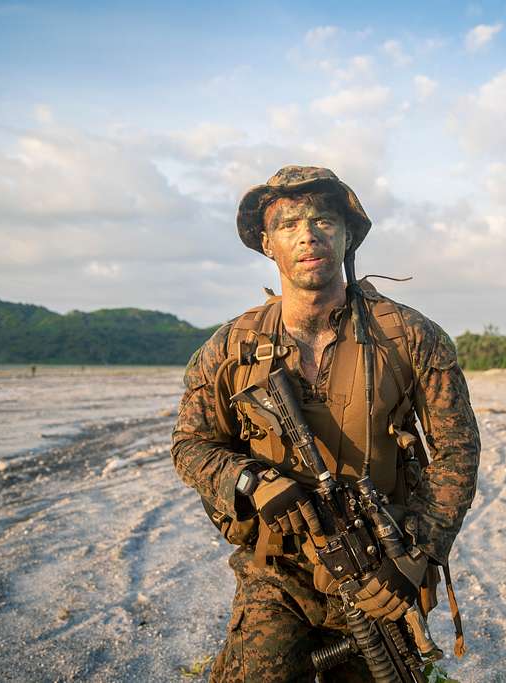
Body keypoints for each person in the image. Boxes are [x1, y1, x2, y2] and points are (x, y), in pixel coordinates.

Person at [170, 166, 480, 681]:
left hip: (379, 567)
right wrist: (251, 481)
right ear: (267, 243)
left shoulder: (411, 337)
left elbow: (457, 452)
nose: (308, 235)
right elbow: (190, 444)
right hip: (278, 574)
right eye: (289, 225)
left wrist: (416, 555)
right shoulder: (231, 347)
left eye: (323, 220)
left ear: (348, 235)